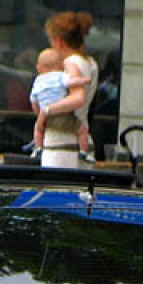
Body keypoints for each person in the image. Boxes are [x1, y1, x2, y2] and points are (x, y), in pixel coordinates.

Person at [32, 11, 98, 169]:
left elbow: (77, 98)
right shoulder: (90, 63)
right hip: (80, 136)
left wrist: (46, 110)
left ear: (58, 41)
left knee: (57, 191)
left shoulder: (69, 64)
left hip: (61, 142)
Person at [30, 47, 90, 157]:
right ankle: (83, 152)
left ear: (38, 68)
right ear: (61, 66)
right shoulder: (60, 76)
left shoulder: (37, 81)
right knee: (82, 129)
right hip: (61, 115)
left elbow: (34, 100)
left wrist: (39, 114)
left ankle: (38, 148)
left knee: (38, 128)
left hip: (45, 118)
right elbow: (72, 82)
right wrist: (84, 80)